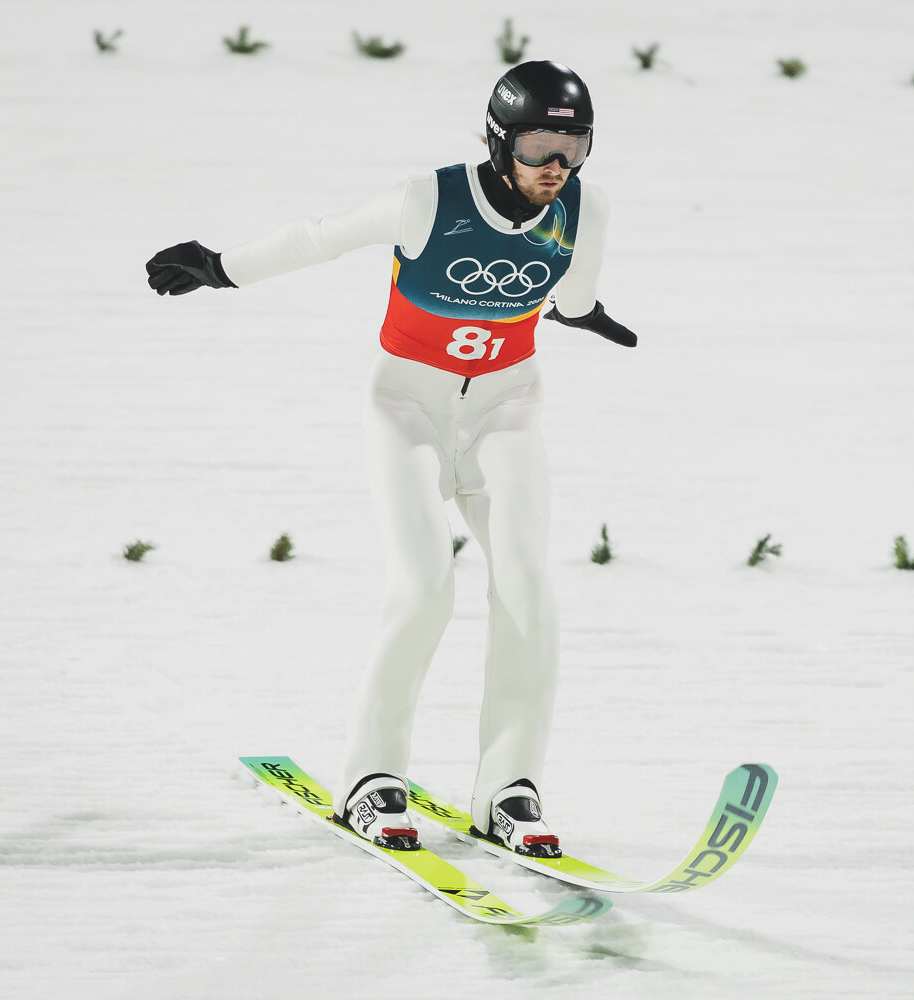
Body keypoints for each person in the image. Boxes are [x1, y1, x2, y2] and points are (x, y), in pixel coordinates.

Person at [145, 61, 636, 858]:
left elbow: (572, 296)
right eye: (538, 146)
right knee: (424, 587)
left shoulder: (585, 208)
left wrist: (586, 315)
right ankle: (371, 778)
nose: (556, 166)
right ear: (498, 140)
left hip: (508, 410)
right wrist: (221, 268)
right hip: (406, 408)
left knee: (530, 590)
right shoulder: (429, 200)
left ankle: (508, 788)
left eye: (573, 147)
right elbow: (321, 237)